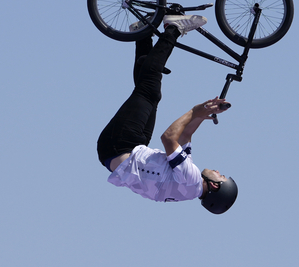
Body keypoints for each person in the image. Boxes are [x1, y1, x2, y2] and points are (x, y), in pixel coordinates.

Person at [97, 15, 238, 214]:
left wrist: (194, 111)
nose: (217, 171)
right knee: (149, 94)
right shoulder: (188, 187)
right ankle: (142, 32)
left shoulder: (192, 179)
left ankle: (173, 29)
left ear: (215, 186)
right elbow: (184, 136)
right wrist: (203, 113)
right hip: (125, 150)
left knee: (149, 91)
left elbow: (169, 138)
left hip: (120, 146)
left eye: (221, 176)